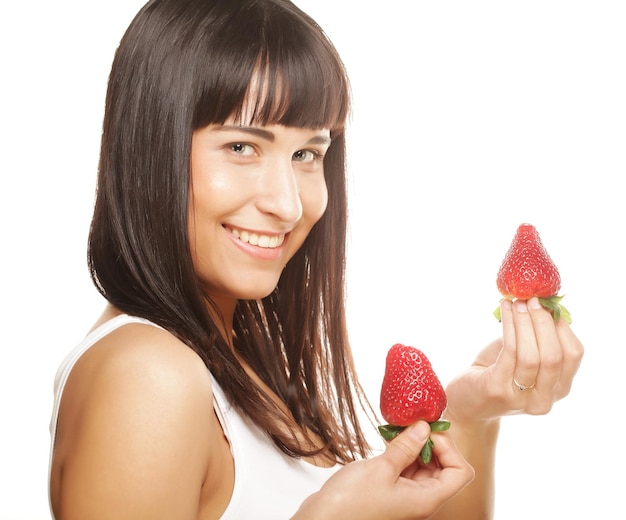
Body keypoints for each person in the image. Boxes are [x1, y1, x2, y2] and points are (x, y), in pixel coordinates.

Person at [47, 0, 584, 518]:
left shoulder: (238, 363)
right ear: (149, 147)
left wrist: (470, 412)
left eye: (307, 154)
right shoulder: (148, 374)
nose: (288, 203)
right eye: (241, 147)